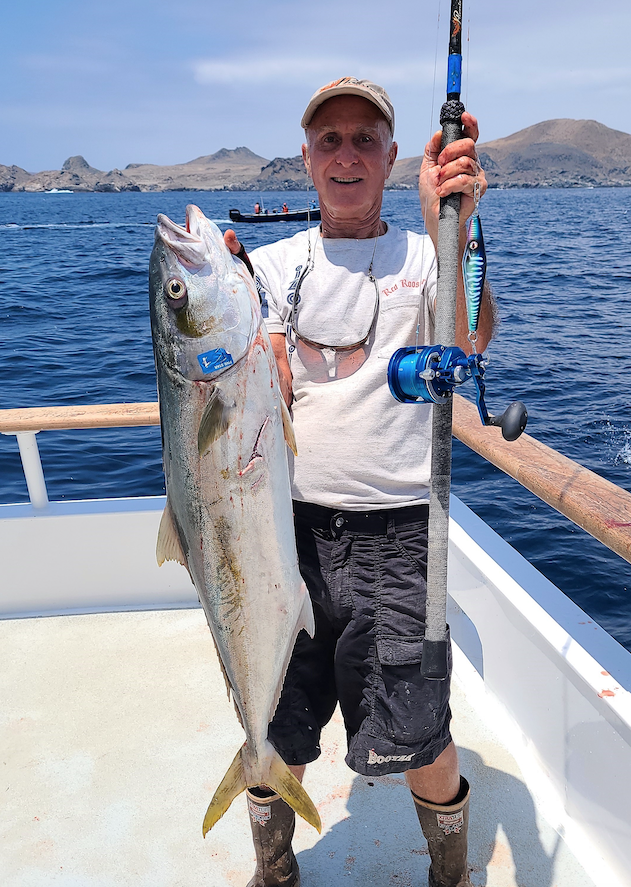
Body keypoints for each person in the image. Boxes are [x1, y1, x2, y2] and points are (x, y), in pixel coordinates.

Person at [224, 77, 494, 887]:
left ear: (390, 156)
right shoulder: (267, 268)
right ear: (306, 159)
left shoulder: (429, 251)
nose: (346, 155)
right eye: (329, 140)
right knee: (277, 725)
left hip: (401, 531)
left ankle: (448, 872)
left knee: (417, 728)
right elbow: (246, 377)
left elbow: (469, 340)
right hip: (284, 533)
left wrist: (459, 226)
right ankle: (274, 869)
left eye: (363, 138)